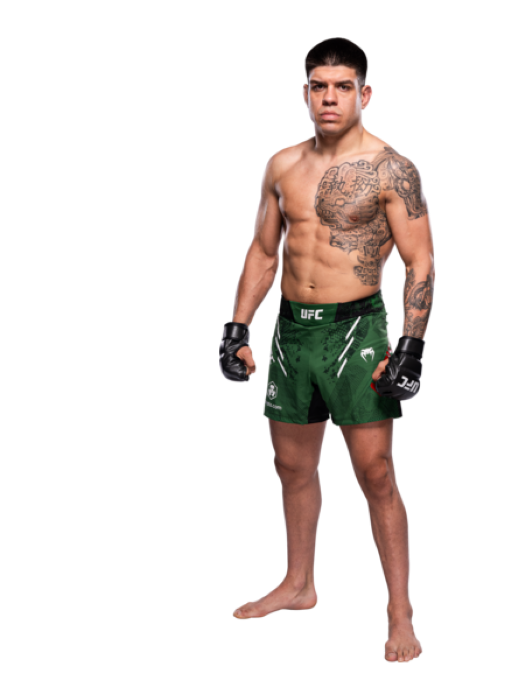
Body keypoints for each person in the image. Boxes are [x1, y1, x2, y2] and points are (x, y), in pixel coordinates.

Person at [219, 37, 434, 664]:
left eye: (343, 87)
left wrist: (412, 346)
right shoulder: (282, 164)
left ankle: (400, 612)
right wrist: (238, 329)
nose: (330, 98)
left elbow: (420, 261)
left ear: (365, 94)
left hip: (356, 330)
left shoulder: (392, 168)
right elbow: (264, 251)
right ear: (306, 93)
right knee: (291, 468)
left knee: (376, 472)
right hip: (292, 333)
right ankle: (299, 583)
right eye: (319, 87)